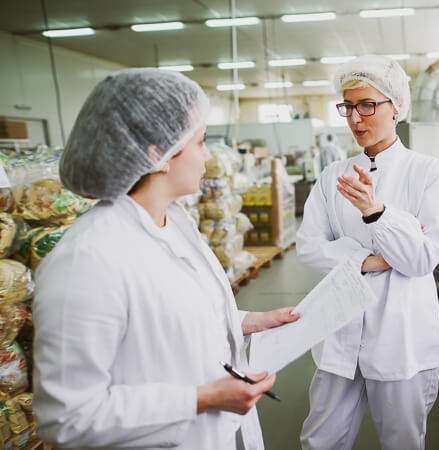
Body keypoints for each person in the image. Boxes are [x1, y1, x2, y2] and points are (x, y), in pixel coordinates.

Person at [32, 68, 298, 449]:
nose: (208, 155)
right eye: (201, 142)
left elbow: (168, 318)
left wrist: (247, 322)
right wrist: (202, 398)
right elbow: (67, 418)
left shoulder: (173, 220)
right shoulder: (87, 261)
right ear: (159, 154)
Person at [296, 55, 439, 450]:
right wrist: (367, 260)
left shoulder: (427, 171)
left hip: (401, 336)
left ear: (396, 106)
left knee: (402, 441)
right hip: (339, 330)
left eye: (367, 105)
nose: (354, 118)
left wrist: (376, 212)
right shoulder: (333, 176)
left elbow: (421, 258)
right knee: (320, 440)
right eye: (348, 106)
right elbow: (308, 248)